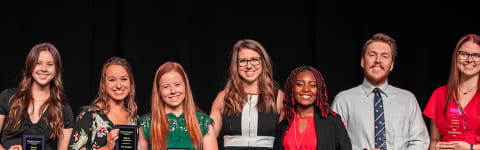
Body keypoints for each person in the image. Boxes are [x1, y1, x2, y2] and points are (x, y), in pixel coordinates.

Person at [331, 33, 430, 150]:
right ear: (363, 61)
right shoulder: (343, 100)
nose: (378, 60)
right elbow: (333, 142)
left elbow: (420, 141)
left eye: (384, 56)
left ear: (391, 65)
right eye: (372, 55)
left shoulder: (408, 100)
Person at [210, 39, 284, 150]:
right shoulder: (223, 97)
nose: (249, 66)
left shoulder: (278, 97)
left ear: (263, 62)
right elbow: (208, 138)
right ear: (236, 65)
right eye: (243, 61)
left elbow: (287, 138)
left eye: (254, 59)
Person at [0, 43, 74, 150]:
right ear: (30, 66)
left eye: (50, 64)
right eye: (38, 63)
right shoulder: (7, 97)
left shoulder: (63, 109)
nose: (44, 69)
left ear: (57, 69)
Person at [138, 61, 217, 150]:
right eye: (166, 86)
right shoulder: (147, 124)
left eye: (177, 84)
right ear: (159, 91)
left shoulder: (203, 123)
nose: (173, 91)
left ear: (186, 86)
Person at [273, 66, 351, 150]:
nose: (306, 89)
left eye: (313, 85)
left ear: (319, 90)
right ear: (292, 88)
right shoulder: (284, 125)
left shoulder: (333, 122)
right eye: (300, 84)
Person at [424, 33, 480, 150]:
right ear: (456, 57)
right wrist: (435, 147)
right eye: (464, 54)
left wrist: (471, 148)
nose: (469, 60)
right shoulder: (439, 94)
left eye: (476, 55)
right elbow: (434, 141)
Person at [69, 57, 138, 150]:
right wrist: (107, 147)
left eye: (124, 79)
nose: (118, 85)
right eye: (112, 80)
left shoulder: (133, 118)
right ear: (104, 84)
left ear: (131, 82)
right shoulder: (89, 115)